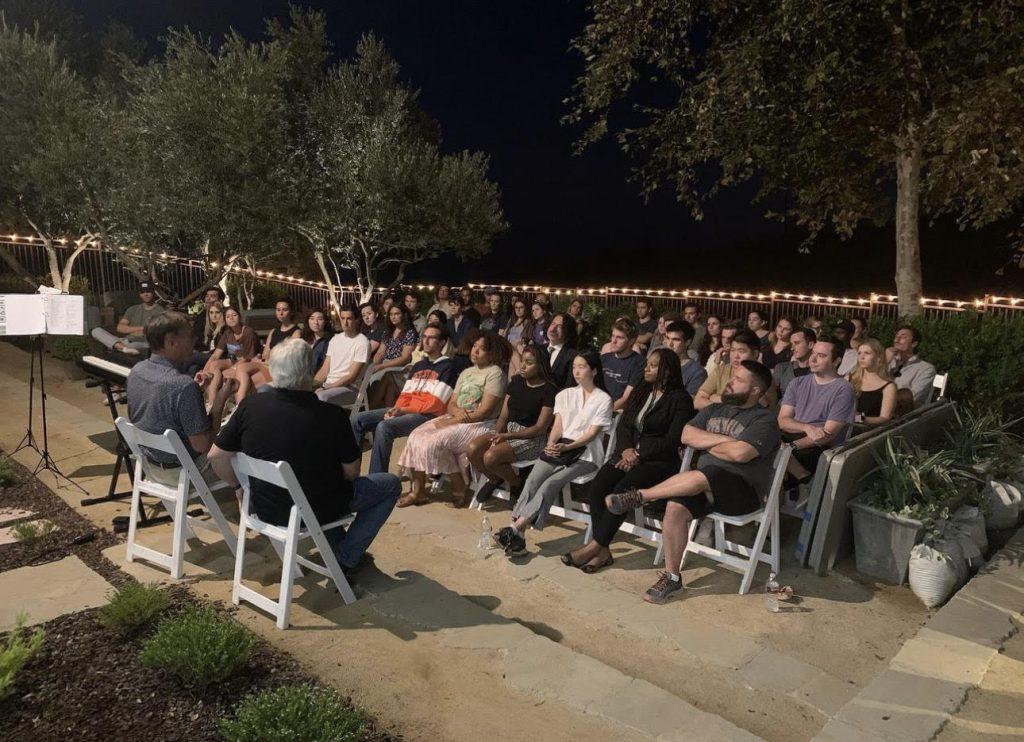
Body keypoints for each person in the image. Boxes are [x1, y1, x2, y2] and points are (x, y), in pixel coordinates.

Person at [208, 339, 400, 580]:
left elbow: (216, 456)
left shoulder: (250, 406)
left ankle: (338, 544)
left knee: (321, 486)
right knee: (389, 485)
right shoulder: (332, 415)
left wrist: (239, 487)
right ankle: (345, 556)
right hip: (310, 510)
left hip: (263, 508)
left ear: (274, 370)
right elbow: (351, 473)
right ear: (309, 371)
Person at [601, 360, 779, 604]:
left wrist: (707, 442)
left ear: (756, 390)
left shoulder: (764, 420)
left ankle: (641, 496)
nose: (729, 382)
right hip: (702, 487)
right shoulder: (714, 409)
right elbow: (686, 435)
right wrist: (725, 442)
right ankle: (672, 579)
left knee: (710, 474)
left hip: (742, 492)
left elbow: (740, 455)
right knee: (675, 507)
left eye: (738, 380)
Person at [563, 349, 695, 573]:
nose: (647, 368)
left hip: (658, 462)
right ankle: (603, 551)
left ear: (667, 371)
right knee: (598, 487)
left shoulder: (680, 399)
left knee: (622, 491)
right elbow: (624, 424)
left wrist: (639, 454)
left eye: (653, 365)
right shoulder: (643, 390)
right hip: (627, 454)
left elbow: (673, 439)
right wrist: (626, 450)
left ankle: (595, 546)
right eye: (647, 364)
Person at [493, 350, 613, 557]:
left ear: (594, 371)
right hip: (558, 449)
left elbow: (592, 434)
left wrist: (566, 447)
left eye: (582, 366)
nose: (576, 371)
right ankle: (517, 537)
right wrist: (550, 444)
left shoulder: (604, 399)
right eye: (574, 366)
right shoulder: (565, 395)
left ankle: (514, 528)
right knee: (532, 481)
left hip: (586, 455)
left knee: (550, 483)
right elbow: (557, 425)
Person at [397, 332, 509, 508]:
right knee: (415, 436)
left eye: (482, 349)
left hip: (480, 424)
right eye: (474, 347)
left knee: (435, 441)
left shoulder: (495, 374)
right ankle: (417, 491)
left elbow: (484, 411)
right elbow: (451, 403)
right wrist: (454, 416)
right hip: (456, 417)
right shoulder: (466, 372)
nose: (475, 351)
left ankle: (458, 484)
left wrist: (453, 421)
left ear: (492, 354)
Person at [126, 311, 235, 485]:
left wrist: (196, 392)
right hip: (183, 473)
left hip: (149, 467)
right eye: (190, 336)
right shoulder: (182, 386)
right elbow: (203, 445)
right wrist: (221, 398)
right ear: (171, 342)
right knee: (248, 453)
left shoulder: (137, 371)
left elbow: (157, 413)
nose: (195, 341)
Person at [351, 324, 458, 474]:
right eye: (424, 337)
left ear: (441, 342)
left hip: (428, 416)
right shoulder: (419, 365)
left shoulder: (448, 367)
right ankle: (352, 473)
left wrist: (402, 410)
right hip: (405, 410)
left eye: (431, 338)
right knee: (357, 420)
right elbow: (406, 395)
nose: (426, 341)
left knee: (384, 427)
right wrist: (396, 409)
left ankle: (377, 480)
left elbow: (435, 403)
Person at [468, 345, 557, 503]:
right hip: (507, 431)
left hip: (532, 438)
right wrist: (496, 434)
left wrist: (507, 436)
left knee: (490, 457)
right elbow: (503, 416)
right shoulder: (516, 382)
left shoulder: (549, 390)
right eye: (522, 361)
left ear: (540, 366)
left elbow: (540, 428)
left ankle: (516, 483)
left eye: (529, 363)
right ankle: (495, 479)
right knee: (472, 450)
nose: (522, 366)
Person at [778, 340, 857, 482]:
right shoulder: (797, 383)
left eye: (821, 355)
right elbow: (783, 420)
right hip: (793, 436)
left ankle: (799, 478)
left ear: (836, 361)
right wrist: (806, 427)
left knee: (773, 456)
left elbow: (827, 435)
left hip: (818, 447)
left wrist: (788, 448)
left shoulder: (843, 389)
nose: (812, 359)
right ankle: (801, 475)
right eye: (813, 353)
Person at [202, 306, 261, 405]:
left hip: (247, 361)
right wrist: (204, 370)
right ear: (225, 319)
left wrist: (232, 369)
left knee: (226, 373)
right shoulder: (227, 333)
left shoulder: (248, 332)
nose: (231, 318)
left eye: (234, 315)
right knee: (213, 365)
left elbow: (247, 358)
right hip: (233, 360)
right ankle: (212, 404)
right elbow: (215, 355)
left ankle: (226, 405)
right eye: (228, 316)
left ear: (240, 317)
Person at [314, 304, 370, 407]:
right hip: (329, 386)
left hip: (350, 388)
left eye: (349, 318)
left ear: (356, 320)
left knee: (320, 397)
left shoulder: (362, 342)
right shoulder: (335, 339)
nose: (345, 322)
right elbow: (324, 370)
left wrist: (328, 387)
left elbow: (351, 377)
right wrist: (312, 385)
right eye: (342, 318)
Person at [92, 280, 165, 355]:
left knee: (133, 345)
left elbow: (154, 331)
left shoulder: (160, 311)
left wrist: (130, 330)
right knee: (96, 331)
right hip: (126, 340)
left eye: (148, 291)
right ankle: (124, 348)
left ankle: (120, 347)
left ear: (153, 293)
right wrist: (142, 328)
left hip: (143, 343)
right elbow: (120, 328)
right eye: (143, 292)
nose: (145, 294)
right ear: (140, 295)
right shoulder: (133, 309)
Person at [694, 329, 760, 410]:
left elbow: (754, 409)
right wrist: (724, 405)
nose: (736, 356)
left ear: (755, 354)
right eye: (732, 350)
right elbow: (697, 401)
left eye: (741, 351)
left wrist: (720, 399)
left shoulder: (761, 377)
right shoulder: (721, 371)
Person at [367, 304, 418, 408]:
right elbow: (380, 352)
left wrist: (382, 366)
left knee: (378, 377)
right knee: (368, 376)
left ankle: (370, 408)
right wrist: (374, 365)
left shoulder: (410, 333)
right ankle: (368, 407)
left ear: (404, 315)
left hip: (400, 366)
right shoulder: (388, 331)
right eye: (391, 314)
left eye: (396, 314)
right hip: (384, 363)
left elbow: (405, 358)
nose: (393, 317)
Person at [600, 317, 645, 411]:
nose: (613, 341)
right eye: (613, 336)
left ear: (632, 341)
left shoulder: (639, 363)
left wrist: (605, 413)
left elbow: (626, 398)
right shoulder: (604, 359)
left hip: (618, 411)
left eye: (619, 337)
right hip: (598, 406)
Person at [886, 325, 937, 409]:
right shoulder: (888, 362)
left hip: (901, 415)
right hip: (875, 409)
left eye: (903, 337)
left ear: (914, 344)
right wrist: (885, 363)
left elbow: (912, 398)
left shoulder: (926, 369)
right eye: (896, 336)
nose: (897, 340)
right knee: (858, 417)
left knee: (861, 418)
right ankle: (858, 418)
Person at [850, 338, 896, 426]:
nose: (861, 357)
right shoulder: (849, 378)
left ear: (878, 357)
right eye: (859, 353)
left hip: (867, 433)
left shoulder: (888, 386)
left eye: (867, 353)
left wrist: (858, 418)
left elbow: (885, 418)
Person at [664, 321, 708, 397]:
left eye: (676, 339)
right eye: (668, 338)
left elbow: (687, 403)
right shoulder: (659, 363)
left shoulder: (697, 372)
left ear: (687, 342)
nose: (670, 344)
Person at [772, 327, 815, 397]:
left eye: (797, 343)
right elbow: (771, 394)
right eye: (791, 344)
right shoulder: (782, 368)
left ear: (810, 345)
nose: (792, 348)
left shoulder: (819, 372)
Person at [546, 312, 579, 389]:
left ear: (567, 331)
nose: (553, 329)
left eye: (559, 326)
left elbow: (569, 387)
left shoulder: (572, 355)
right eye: (553, 324)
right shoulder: (539, 349)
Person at [192, 286, 226, 350]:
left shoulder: (226, 317)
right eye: (207, 296)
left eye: (212, 296)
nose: (208, 298)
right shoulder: (201, 316)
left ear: (220, 301)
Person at [303, 308, 334, 376]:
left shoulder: (330, 341)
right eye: (312, 318)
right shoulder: (303, 339)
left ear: (325, 321)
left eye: (320, 319)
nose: (316, 322)